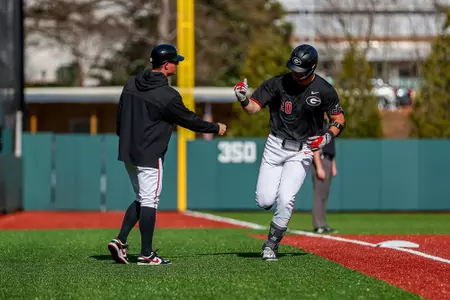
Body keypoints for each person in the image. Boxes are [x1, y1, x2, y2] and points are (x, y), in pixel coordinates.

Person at [108, 43, 227, 265]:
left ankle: (120, 241)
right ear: (165, 65)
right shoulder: (167, 95)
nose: (177, 65)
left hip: (128, 151)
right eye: (174, 61)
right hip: (149, 154)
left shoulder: (132, 83)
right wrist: (215, 128)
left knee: (141, 198)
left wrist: (123, 139)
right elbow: (189, 120)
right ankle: (146, 253)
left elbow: (120, 115)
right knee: (150, 200)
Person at [233, 44, 345, 261]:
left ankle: (272, 244)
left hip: (302, 149)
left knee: (286, 198)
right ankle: (273, 224)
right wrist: (242, 98)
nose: (295, 74)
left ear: (311, 70)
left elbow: (339, 119)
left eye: (300, 71)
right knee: (264, 200)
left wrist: (326, 137)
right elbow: (253, 108)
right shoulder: (277, 83)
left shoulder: (324, 90)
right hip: (275, 145)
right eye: (293, 68)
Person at [311, 112, 338, 234]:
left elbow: (331, 148)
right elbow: (315, 147)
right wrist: (318, 167)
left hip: (328, 159)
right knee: (318, 194)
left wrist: (333, 165)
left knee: (324, 195)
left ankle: (323, 223)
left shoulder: (329, 126)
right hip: (320, 160)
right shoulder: (317, 125)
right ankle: (318, 224)